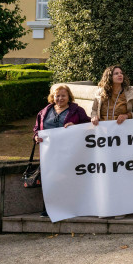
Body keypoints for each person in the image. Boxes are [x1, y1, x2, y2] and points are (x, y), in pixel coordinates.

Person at [34, 84, 90, 217]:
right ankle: (50, 208)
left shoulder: (77, 111)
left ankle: (72, 207)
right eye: (57, 95)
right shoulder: (44, 112)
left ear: (68, 97)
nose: (60, 98)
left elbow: (88, 125)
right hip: (49, 153)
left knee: (69, 179)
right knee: (50, 180)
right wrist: (36, 136)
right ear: (52, 97)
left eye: (63, 95)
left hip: (70, 153)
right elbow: (36, 129)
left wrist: (75, 126)